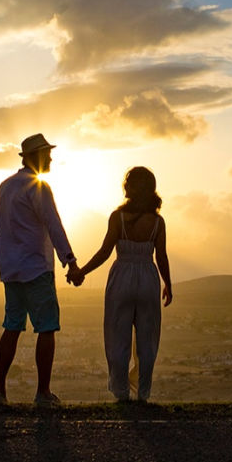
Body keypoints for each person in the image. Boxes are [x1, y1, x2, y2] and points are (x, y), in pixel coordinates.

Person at [0, 133, 83, 406]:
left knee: (11, 327)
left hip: (11, 269)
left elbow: (2, 227)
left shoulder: (5, 187)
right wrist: (71, 261)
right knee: (46, 328)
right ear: (37, 156)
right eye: (47, 153)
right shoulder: (38, 186)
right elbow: (53, 224)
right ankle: (43, 392)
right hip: (36, 268)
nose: (51, 158)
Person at [74, 166, 172, 403]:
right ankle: (144, 392)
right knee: (147, 339)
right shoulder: (158, 221)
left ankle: (121, 393)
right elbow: (161, 256)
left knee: (118, 336)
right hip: (148, 278)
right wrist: (168, 283)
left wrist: (82, 271)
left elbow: (105, 251)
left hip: (121, 277)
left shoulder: (117, 218)